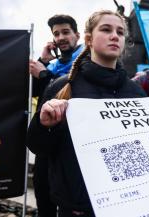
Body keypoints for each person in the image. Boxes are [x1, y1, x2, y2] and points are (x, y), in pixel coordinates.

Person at [27, 10, 149, 217]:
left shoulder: (136, 93)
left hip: (129, 205)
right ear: (88, 39)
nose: (115, 36)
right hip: (77, 209)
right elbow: (37, 147)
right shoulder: (63, 87)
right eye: (106, 29)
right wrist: (44, 124)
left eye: (120, 32)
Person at [29, 14, 84, 217]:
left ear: (77, 35)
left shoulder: (86, 60)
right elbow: (33, 91)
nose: (61, 37)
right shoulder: (52, 64)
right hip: (46, 141)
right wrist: (43, 60)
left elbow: (73, 87)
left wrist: (44, 74)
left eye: (66, 32)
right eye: (56, 34)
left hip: (70, 145)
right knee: (43, 196)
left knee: (66, 202)